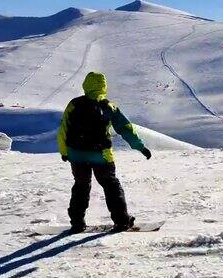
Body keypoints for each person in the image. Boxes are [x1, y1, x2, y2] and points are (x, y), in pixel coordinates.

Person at [57, 72, 152, 234]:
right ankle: (122, 222)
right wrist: (140, 147)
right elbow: (125, 128)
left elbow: (63, 129)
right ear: (103, 86)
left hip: (77, 154)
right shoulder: (108, 106)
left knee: (81, 186)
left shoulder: (73, 104)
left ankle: (77, 223)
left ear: (85, 85)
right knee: (111, 185)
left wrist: (64, 152)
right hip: (101, 155)